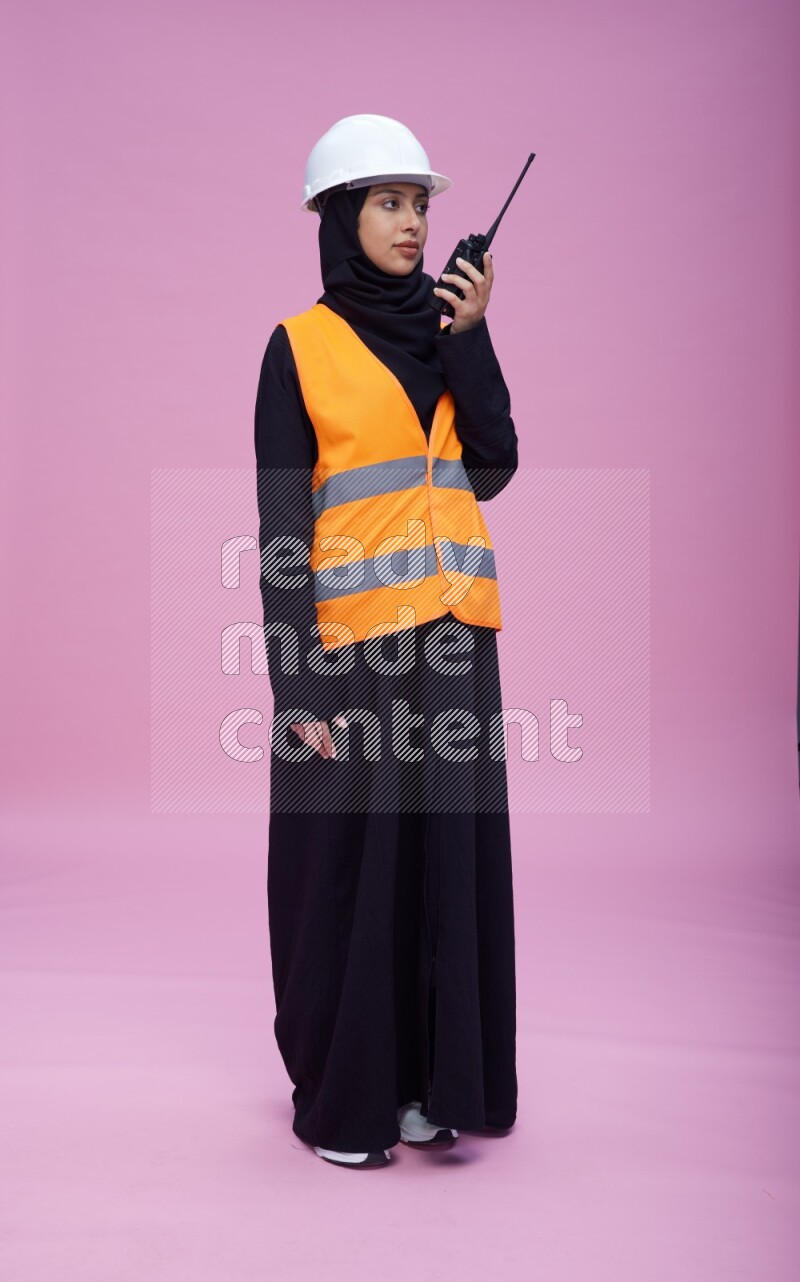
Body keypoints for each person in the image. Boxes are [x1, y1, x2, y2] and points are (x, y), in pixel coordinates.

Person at [254, 114, 519, 1170]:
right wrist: (298, 693)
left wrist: (474, 336)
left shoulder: (447, 331)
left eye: (420, 203)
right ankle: (347, 1094)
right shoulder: (298, 348)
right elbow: (281, 535)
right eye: (388, 202)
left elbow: (491, 465)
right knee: (352, 873)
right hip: (355, 653)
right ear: (337, 217)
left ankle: (426, 1085)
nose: (412, 223)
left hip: (456, 642)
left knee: (442, 869)